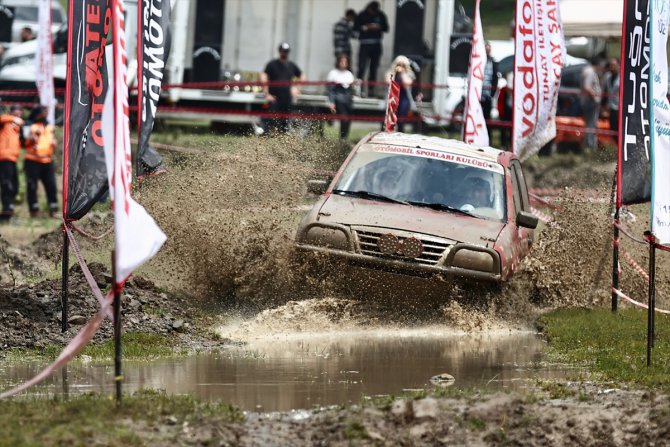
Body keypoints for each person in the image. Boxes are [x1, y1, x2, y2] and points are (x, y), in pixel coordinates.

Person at [260, 42, 305, 135]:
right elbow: (263, 75)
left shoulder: (291, 65)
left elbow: (302, 75)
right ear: (279, 51)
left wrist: (298, 88)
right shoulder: (272, 64)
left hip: (287, 98)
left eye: (286, 51)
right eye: (282, 51)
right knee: (270, 119)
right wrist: (266, 93)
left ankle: (283, 138)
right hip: (274, 98)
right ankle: (266, 137)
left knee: (285, 121)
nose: (284, 53)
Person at [24, 106, 58, 217]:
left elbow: (50, 139)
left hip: (47, 161)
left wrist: (54, 142)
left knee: (51, 186)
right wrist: (30, 139)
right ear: (37, 113)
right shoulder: (29, 125)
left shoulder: (49, 126)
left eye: (46, 112)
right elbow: (24, 142)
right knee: (32, 186)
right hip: (32, 161)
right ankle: (33, 210)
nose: (45, 114)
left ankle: (53, 210)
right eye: (43, 112)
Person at [353, 1, 389, 97]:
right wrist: (365, 27)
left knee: (373, 68)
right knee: (361, 67)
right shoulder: (362, 15)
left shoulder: (380, 15)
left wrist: (378, 27)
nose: (373, 13)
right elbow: (355, 28)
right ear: (368, 8)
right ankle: (358, 90)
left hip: (376, 44)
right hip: (364, 44)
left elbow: (386, 28)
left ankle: (371, 90)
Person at [0, 104, 24, 222]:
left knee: (14, 186)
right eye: (16, 111)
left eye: (20, 111)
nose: (19, 113)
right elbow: (1, 118)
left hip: (12, 159)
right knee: (7, 185)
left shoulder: (18, 127)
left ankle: (8, 211)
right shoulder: (6, 122)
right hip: (4, 157)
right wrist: (13, 118)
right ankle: (6, 214)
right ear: (12, 112)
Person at [326, 54, 355, 140]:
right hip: (338, 98)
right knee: (344, 118)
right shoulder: (333, 73)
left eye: (345, 62)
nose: (343, 63)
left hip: (347, 99)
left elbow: (351, 89)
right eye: (342, 61)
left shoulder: (349, 74)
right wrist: (331, 102)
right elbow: (330, 90)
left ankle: (344, 137)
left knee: (348, 119)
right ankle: (342, 137)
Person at [386, 55, 415, 133]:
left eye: (403, 65)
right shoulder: (391, 73)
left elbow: (407, 83)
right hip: (393, 97)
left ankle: (401, 131)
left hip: (403, 97)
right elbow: (388, 82)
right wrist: (394, 73)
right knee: (390, 115)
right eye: (399, 64)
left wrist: (403, 73)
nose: (400, 66)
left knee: (402, 115)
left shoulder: (409, 74)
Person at [581, 57, 603, 152]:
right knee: (591, 124)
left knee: (589, 124)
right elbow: (587, 86)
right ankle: (590, 146)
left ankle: (588, 145)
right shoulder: (590, 72)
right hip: (590, 102)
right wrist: (595, 98)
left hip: (586, 101)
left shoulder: (586, 70)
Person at [481, 41, 499, 141]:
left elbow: (495, 78)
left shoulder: (493, 62)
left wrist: (493, 92)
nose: (487, 51)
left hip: (488, 94)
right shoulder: (479, 60)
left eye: (489, 49)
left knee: (487, 118)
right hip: (479, 94)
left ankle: (488, 138)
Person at [603, 57, 620, 145]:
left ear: (618, 65)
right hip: (611, 107)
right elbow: (605, 91)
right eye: (610, 65)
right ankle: (617, 146)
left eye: (614, 65)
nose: (612, 67)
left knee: (620, 128)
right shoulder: (607, 77)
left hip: (620, 108)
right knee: (612, 128)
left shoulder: (622, 77)